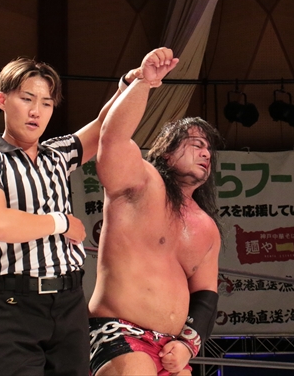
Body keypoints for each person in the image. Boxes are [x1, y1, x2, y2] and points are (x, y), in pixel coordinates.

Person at [0, 49, 171, 376]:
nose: (36, 111)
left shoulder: (56, 155)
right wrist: (60, 223)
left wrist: (136, 82)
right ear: (2, 100)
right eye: (27, 99)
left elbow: (105, 126)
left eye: (46, 103)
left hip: (69, 300)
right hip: (12, 302)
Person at [88, 49, 223, 375]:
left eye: (209, 149)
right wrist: (143, 84)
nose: (206, 153)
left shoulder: (206, 227)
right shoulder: (141, 183)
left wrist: (187, 345)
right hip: (119, 332)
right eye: (196, 144)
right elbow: (112, 138)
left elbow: (205, 296)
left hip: (170, 348)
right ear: (166, 152)